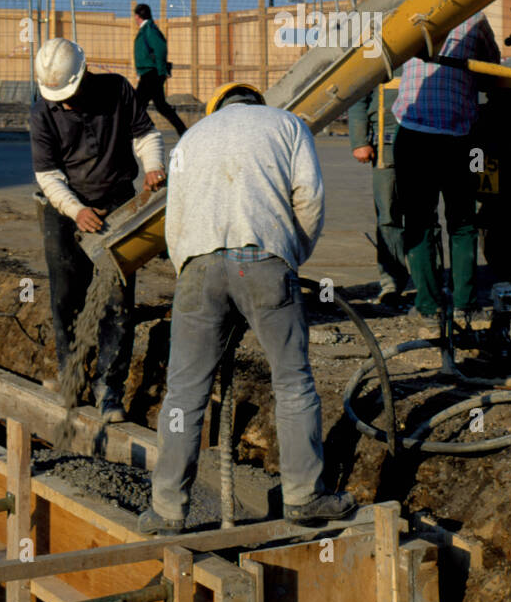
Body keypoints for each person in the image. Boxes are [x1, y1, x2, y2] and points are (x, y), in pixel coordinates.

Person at [139, 81, 356, 534]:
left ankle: (167, 511)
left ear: (217, 106)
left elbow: (173, 215)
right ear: (257, 103)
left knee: (183, 392)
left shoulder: (194, 136)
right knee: (293, 382)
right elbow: (310, 198)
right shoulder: (288, 125)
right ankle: (304, 496)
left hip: (197, 266)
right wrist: (289, 255)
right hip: (264, 263)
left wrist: (192, 270)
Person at [30, 37, 166, 422]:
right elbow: (48, 174)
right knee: (66, 298)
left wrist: (153, 165)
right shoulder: (42, 113)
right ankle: (71, 378)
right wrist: (76, 210)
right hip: (65, 214)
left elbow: (145, 135)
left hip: (119, 208)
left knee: (117, 303)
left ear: (84, 72)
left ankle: (110, 391)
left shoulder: (117, 89)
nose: (65, 102)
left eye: (69, 93)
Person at [392, 12, 499, 324]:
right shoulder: (475, 19)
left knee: (419, 223)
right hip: (458, 135)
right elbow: (492, 69)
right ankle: (466, 304)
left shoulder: (411, 16)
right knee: (463, 223)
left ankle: (428, 306)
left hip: (412, 133)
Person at [348, 75, 408, 307]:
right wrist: (359, 140)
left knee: (425, 218)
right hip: (387, 146)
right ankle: (391, 283)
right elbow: (359, 97)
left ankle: (428, 283)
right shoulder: (380, 52)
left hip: (426, 142)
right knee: (388, 216)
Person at [133, 3, 187, 137]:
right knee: (160, 105)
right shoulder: (146, 29)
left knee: (138, 105)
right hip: (148, 72)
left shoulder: (149, 29)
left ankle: (141, 132)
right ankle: (183, 131)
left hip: (152, 73)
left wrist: (161, 71)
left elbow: (160, 49)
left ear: (137, 16)